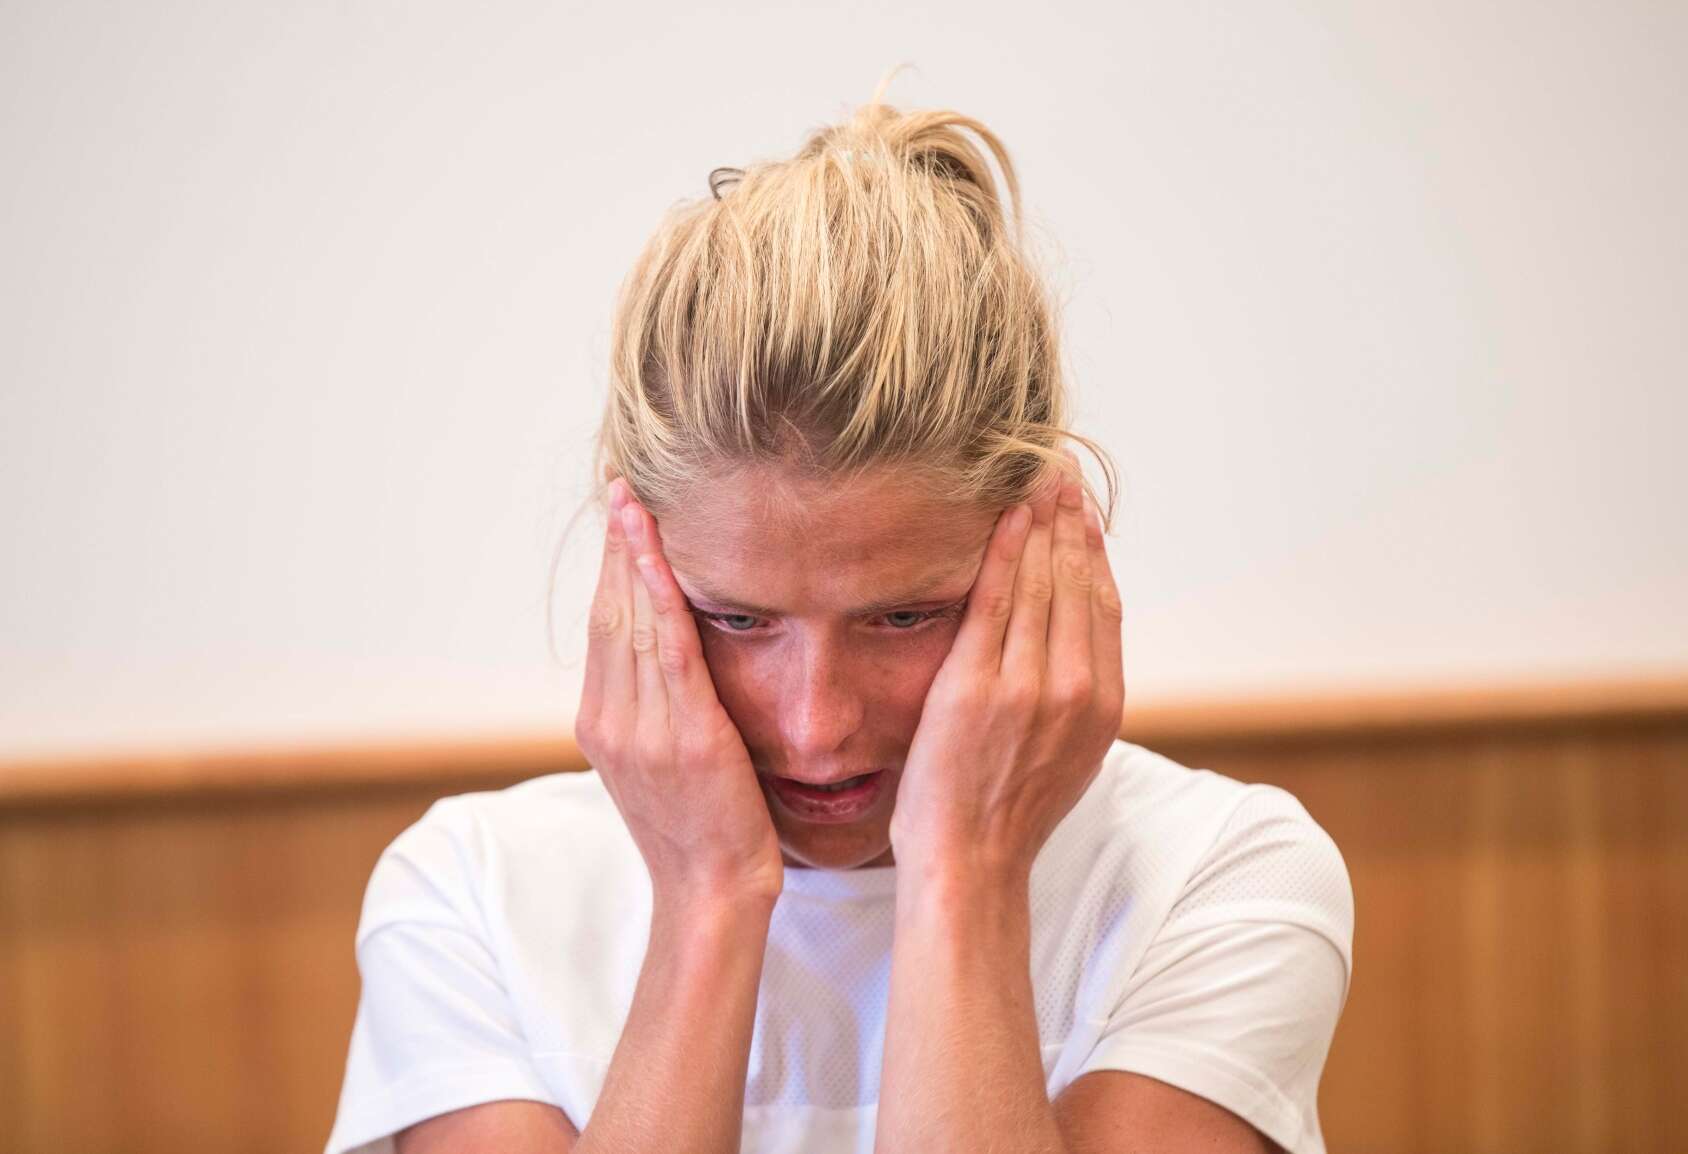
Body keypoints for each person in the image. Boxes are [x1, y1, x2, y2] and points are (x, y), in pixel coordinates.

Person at [323, 82, 1353, 1154]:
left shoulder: (1216, 876)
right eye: (737, 618)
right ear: (639, 572)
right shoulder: (471, 897)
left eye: (904, 616)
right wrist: (708, 898)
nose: (817, 726)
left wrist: (964, 873)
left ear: (1042, 557)